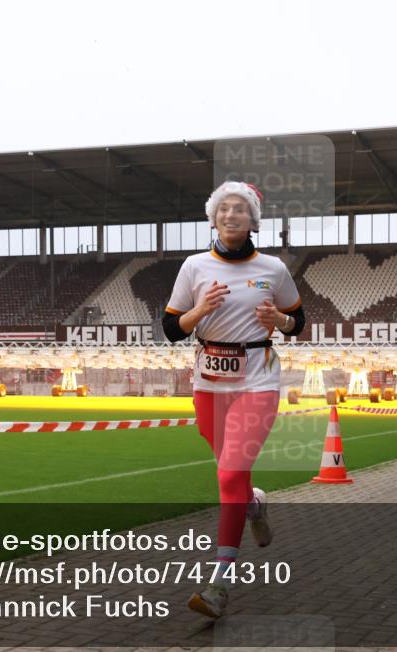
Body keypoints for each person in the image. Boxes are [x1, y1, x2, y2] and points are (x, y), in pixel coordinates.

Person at [162, 181, 306, 619]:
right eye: (223, 208)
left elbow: (297, 322)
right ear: (213, 217)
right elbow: (172, 329)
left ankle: (219, 584)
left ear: (252, 220)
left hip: (257, 379)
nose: (230, 215)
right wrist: (199, 312)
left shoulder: (274, 268)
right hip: (208, 382)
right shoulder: (193, 267)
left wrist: (279, 319)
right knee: (232, 473)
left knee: (228, 474)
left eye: (239, 209)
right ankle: (255, 504)